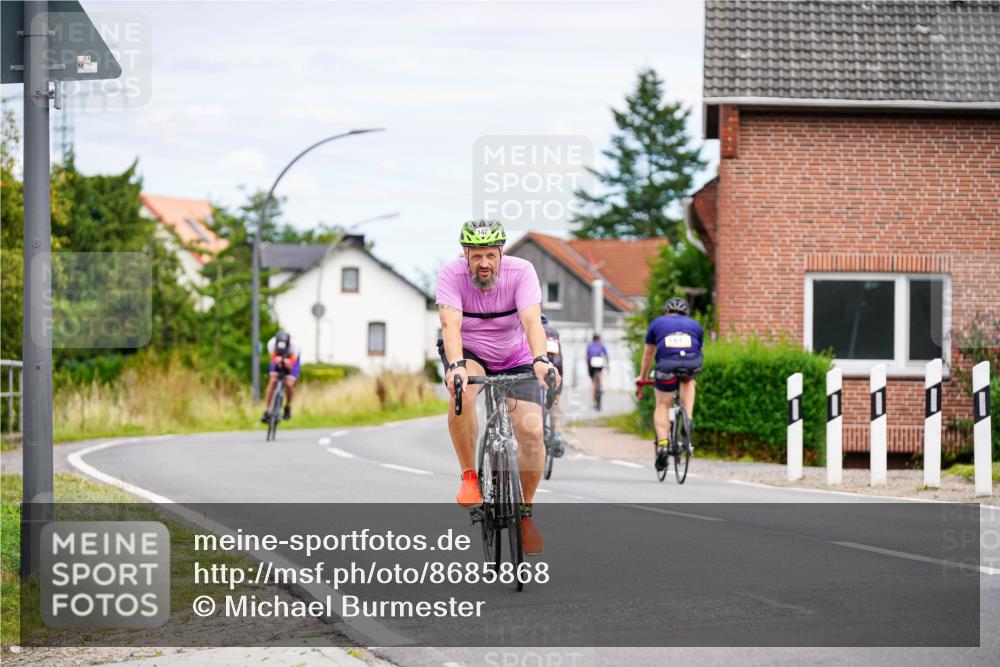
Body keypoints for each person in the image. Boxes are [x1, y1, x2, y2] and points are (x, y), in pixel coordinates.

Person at [436, 219, 560, 556]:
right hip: (471, 352)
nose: (485, 263)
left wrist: (540, 359)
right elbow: (450, 325)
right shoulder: (451, 274)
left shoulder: (522, 272)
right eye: (477, 256)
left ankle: (525, 512)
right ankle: (469, 477)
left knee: (532, 433)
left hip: (517, 354)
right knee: (461, 392)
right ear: (465, 254)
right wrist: (456, 367)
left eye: (491, 255)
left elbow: (532, 321)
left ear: (501, 252)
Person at [635, 297, 704, 471]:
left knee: (662, 405)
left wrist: (641, 377)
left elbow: (647, 355)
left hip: (666, 367)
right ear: (686, 313)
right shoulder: (695, 325)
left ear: (667, 312)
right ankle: (688, 419)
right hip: (691, 364)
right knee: (689, 380)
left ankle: (663, 444)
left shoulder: (657, 323)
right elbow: (698, 351)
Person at [261, 330, 301, 423]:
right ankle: (267, 410)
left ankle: (288, 406)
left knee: (289, 383)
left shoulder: (295, 347)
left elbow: (292, 365)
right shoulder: (271, 344)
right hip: (277, 357)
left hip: (291, 359)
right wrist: (277, 361)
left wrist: (289, 365)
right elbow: (273, 358)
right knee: (273, 380)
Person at [540, 312, 565, 457]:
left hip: (537, 370)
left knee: (537, 404)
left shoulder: (531, 330)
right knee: (556, 402)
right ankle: (557, 434)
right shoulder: (554, 332)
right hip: (555, 370)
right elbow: (559, 357)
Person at [585, 334, 609, 405]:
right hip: (599, 362)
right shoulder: (602, 345)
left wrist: (587, 365)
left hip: (591, 363)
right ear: (599, 339)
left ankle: (593, 398)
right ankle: (601, 385)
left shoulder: (589, 345)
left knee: (592, 381)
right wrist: (607, 364)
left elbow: (586, 356)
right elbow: (606, 355)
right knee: (601, 372)